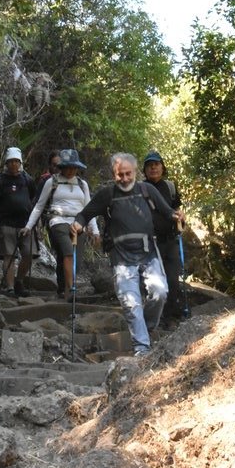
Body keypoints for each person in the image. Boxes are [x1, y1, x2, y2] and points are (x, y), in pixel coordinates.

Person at [70, 152, 182, 356]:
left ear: (136, 172)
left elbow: (167, 211)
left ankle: (146, 328)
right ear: (114, 174)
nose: (124, 178)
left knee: (160, 293)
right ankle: (142, 347)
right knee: (131, 302)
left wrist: (177, 216)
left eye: (128, 173)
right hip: (121, 257)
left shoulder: (146, 190)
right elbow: (85, 213)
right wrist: (78, 224)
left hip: (148, 252)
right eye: (119, 174)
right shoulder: (107, 194)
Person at [22, 149, 100, 299]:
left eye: (74, 167)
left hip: (79, 223)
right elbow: (39, 205)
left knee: (75, 262)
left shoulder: (82, 185)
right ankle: (70, 291)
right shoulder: (52, 181)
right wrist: (28, 226)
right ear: (62, 167)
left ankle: (63, 287)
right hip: (58, 221)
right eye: (68, 167)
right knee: (68, 253)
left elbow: (88, 209)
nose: (71, 170)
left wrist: (95, 230)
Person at [0, 147, 36, 297]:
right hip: (6, 223)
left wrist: (38, 223)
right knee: (8, 256)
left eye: (16, 161)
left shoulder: (27, 180)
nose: (14, 164)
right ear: (6, 163)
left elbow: (35, 202)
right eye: (11, 162)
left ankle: (20, 281)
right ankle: (10, 287)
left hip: (26, 223)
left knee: (28, 254)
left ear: (20, 163)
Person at [142, 150, 186, 327]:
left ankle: (169, 317)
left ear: (162, 167)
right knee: (155, 282)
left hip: (170, 240)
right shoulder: (140, 189)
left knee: (173, 280)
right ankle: (154, 317)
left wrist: (181, 216)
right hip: (151, 242)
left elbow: (176, 208)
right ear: (144, 170)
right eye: (149, 166)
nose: (153, 168)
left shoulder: (170, 187)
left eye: (156, 164)